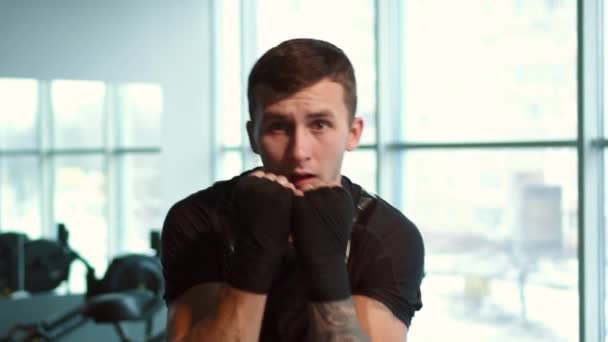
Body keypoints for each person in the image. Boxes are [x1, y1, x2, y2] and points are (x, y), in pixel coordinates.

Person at [161, 38, 424, 341]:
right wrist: (255, 256)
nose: (299, 151)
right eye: (277, 127)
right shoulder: (199, 220)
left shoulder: (386, 234)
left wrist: (326, 264)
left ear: (353, 133)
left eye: (320, 124)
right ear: (253, 136)